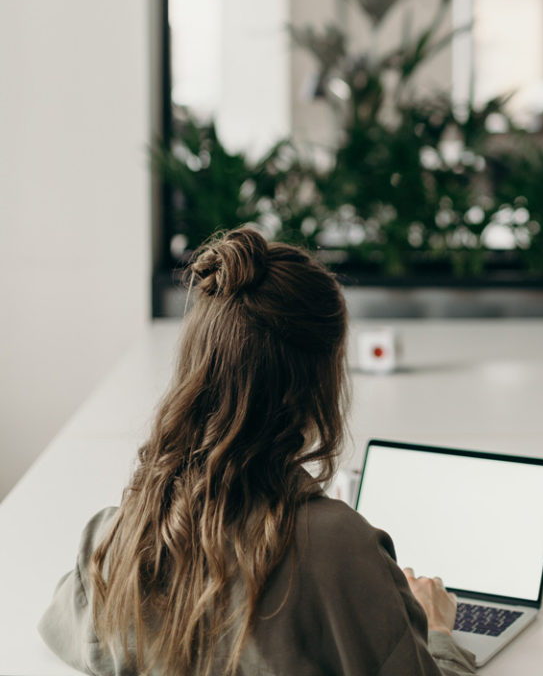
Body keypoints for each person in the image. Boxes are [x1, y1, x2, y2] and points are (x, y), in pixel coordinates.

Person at [38, 227, 476, 676]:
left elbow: (66, 628)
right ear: (319, 385)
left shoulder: (115, 539)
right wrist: (439, 632)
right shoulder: (340, 550)